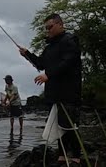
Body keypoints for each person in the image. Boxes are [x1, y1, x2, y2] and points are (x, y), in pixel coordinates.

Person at [19, 13, 82, 166]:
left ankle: (77, 155)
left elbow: (67, 62)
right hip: (54, 93)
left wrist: (49, 75)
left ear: (61, 24)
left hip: (69, 91)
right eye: (46, 28)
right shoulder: (50, 47)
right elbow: (41, 63)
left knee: (69, 125)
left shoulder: (70, 40)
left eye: (50, 27)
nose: (48, 30)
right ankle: (62, 154)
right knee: (58, 124)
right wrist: (27, 54)